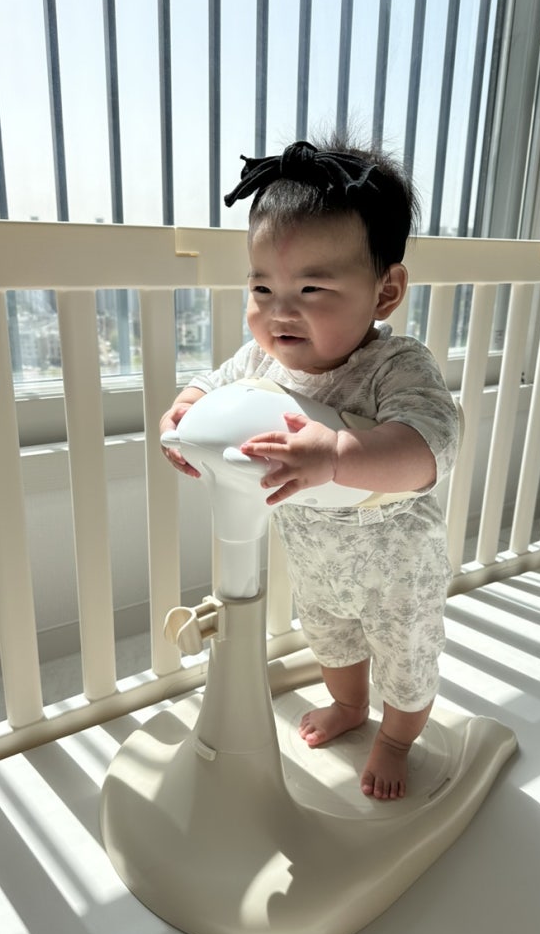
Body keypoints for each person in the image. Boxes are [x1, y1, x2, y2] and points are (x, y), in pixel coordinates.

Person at [160, 138, 460, 800]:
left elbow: (430, 445)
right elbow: (212, 383)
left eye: (311, 288)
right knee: (331, 644)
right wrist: (182, 413)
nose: (279, 311)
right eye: (261, 287)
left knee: (406, 663)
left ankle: (395, 738)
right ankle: (350, 706)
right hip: (317, 561)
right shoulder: (262, 358)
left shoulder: (396, 366)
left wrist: (339, 455)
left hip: (397, 571)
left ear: (385, 291)